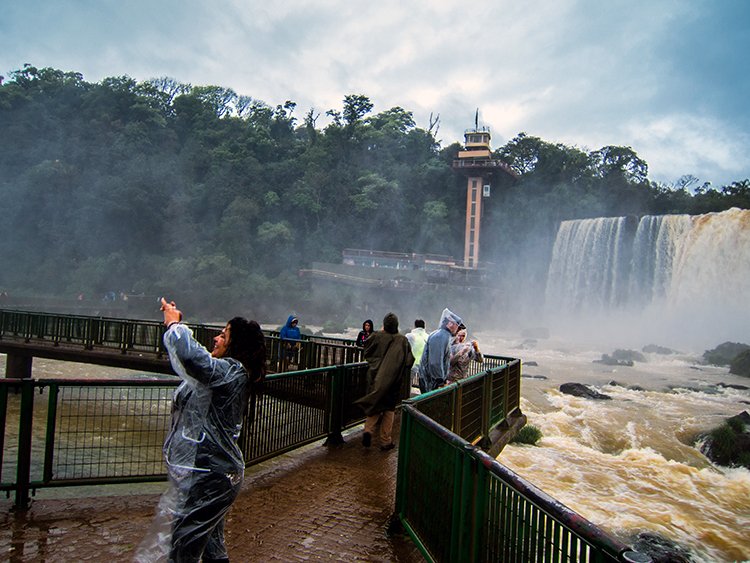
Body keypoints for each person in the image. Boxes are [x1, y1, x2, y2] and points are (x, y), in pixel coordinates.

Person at [136, 298, 266, 563]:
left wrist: (174, 322)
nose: (216, 338)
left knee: (184, 546)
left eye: (224, 334)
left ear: (236, 344)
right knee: (210, 544)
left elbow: (191, 357)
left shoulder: (232, 371)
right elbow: (197, 363)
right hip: (210, 473)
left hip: (213, 476)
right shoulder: (225, 373)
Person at [354, 312, 414, 451]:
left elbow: (367, 350)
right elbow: (409, 361)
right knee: (388, 410)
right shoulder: (402, 340)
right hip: (393, 382)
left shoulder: (376, 336)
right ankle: (385, 441)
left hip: (375, 378)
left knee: (374, 405)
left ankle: (368, 431)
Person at [417, 308, 463, 393]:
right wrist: (440, 381)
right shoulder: (441, 337)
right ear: (450, 324)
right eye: (457, 326)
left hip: (431, 380)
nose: (458, 329)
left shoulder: (442, 335)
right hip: (431, 381)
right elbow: (435, 362)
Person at [405, 319, 429, 388]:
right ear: (424, 327)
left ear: (414, 326)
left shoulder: (410, 336)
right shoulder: (428, 337)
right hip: (423, 366)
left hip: (411, 365)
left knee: (408, 386)